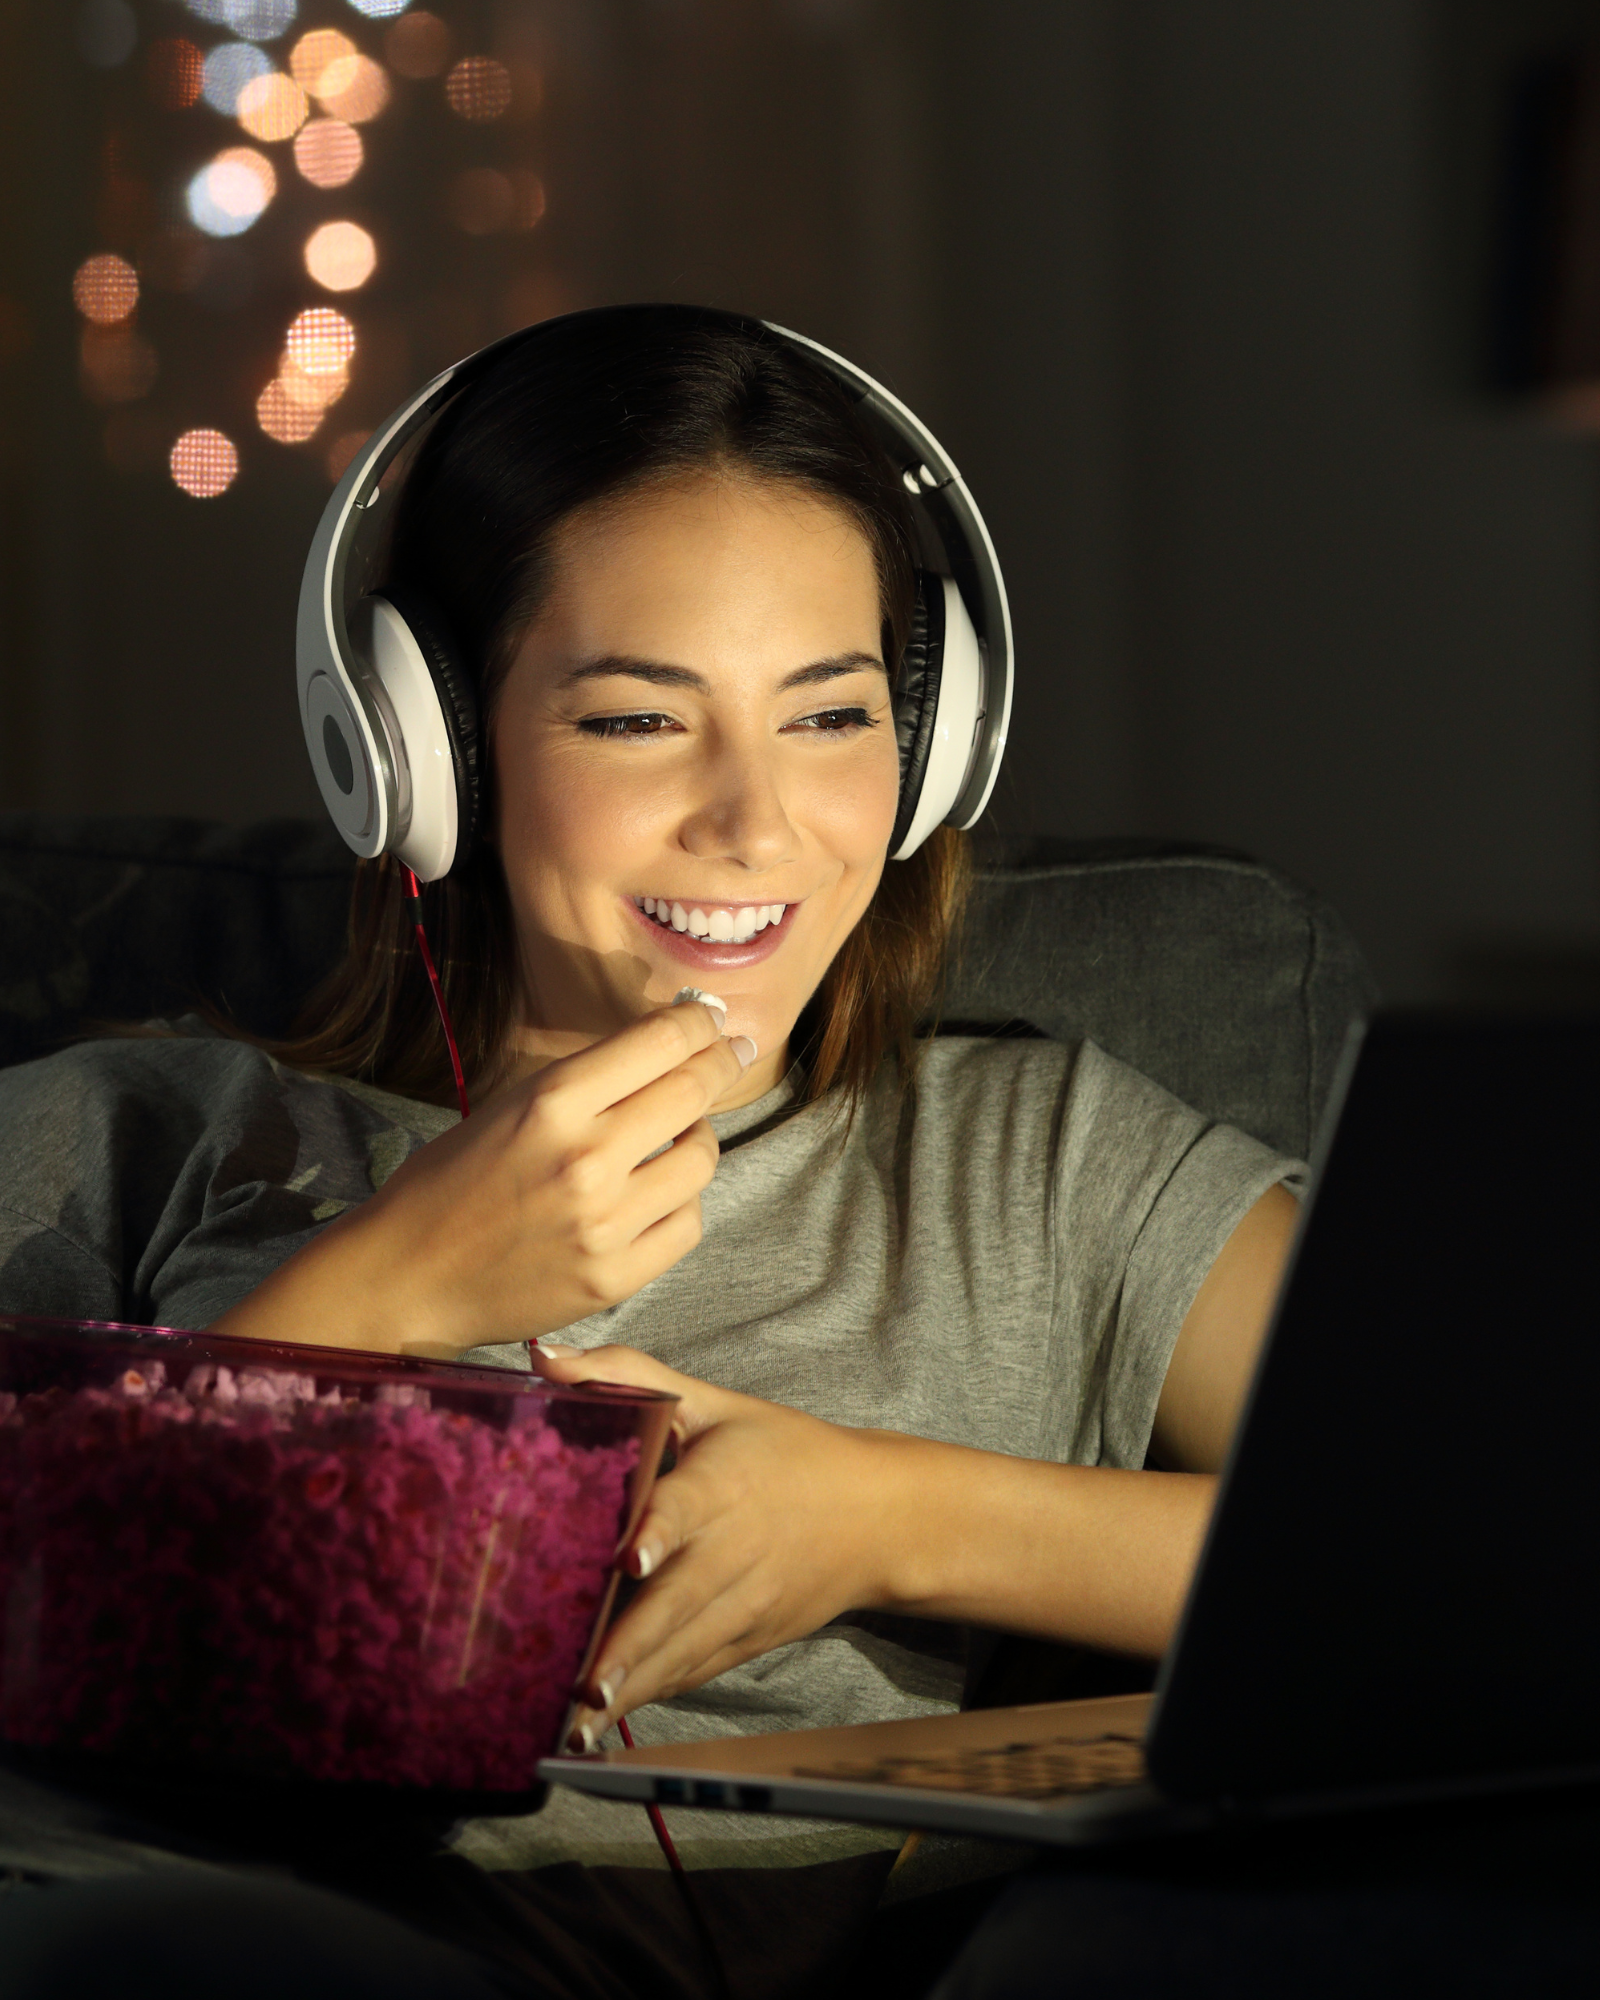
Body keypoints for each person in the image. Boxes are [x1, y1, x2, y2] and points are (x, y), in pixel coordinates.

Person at [0, 306, 1302, 1998]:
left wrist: (894, 1517)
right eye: (636, 722)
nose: (755, 824)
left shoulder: (1046, 1166)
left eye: (829, 718)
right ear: (426, 747)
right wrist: (384, 1286)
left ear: (932, 747)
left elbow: (1483, 1546)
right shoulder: (133, 1136)